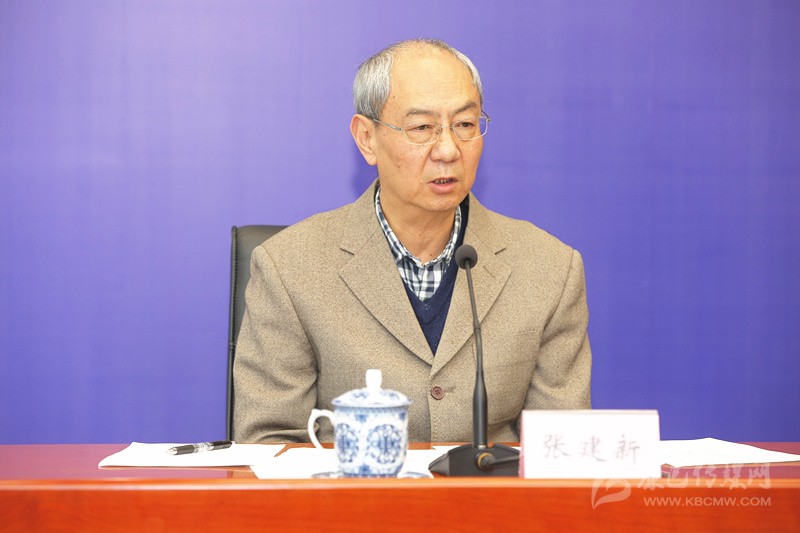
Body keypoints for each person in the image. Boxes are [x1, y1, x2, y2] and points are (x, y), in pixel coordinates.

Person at [233, 38, 591, 444]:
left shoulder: (549, 269)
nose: (448, 150)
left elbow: (565, 451)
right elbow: (268, 446)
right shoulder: (289, 268)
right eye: (422, 128)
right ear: (366, 138)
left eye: (465, 125)